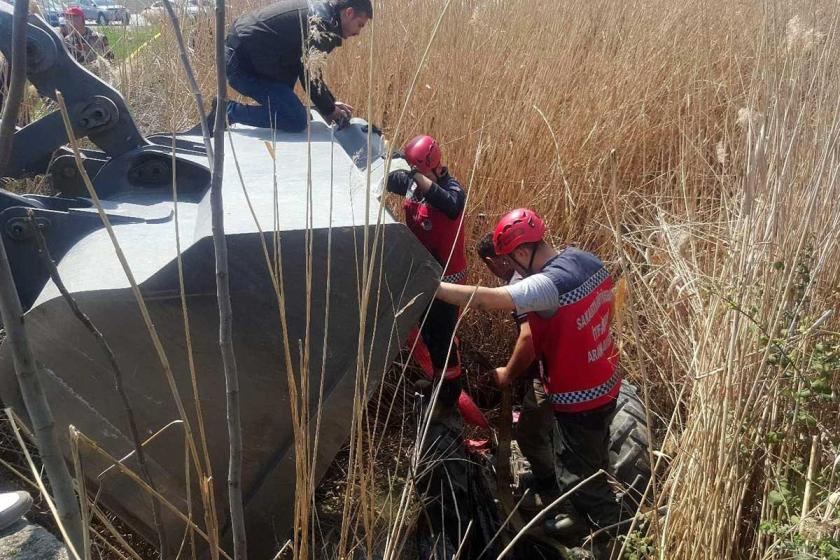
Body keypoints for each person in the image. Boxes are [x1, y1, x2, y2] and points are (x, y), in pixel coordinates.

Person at [436, 209, 622, 538]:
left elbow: (485, 300)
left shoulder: (548, 284)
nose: (513, 269)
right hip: (605, 378)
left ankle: (611, 534)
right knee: (593, 455)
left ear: (522, 252)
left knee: (577, 474)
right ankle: (584, 516)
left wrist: (431, 288)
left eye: (511, 260)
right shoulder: (586, 260)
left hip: (578, 394)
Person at [475, 233, 558, 510]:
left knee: (529, 436)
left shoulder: (520, 283)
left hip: (551, 373)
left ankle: (549, 492)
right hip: (563, 360)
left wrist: (508, 373)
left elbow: (528, 338)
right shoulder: (542, 269)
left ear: (493, 261)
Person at [386, 134, 467, 408]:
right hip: (422, 274)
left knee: (441, 338)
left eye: (416, 169)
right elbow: (388, 180)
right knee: (429, 333)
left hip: (446, 281)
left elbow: (451, 206)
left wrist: (416, 175)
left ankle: (448, 396)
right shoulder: (412, 183)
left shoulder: (451, 189)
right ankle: (438, 382)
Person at [221, 0, 371, 132]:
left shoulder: (320, 14)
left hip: (250, 56)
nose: (358, 32)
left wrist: (330, 103)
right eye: (360, 25)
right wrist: (330, 110)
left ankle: (284, 110)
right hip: (240, 66)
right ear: (349, 13)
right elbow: (309, 76)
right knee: (296, 120)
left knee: (293, 106)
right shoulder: (322, 26)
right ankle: (227, 111)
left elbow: (307, 70)